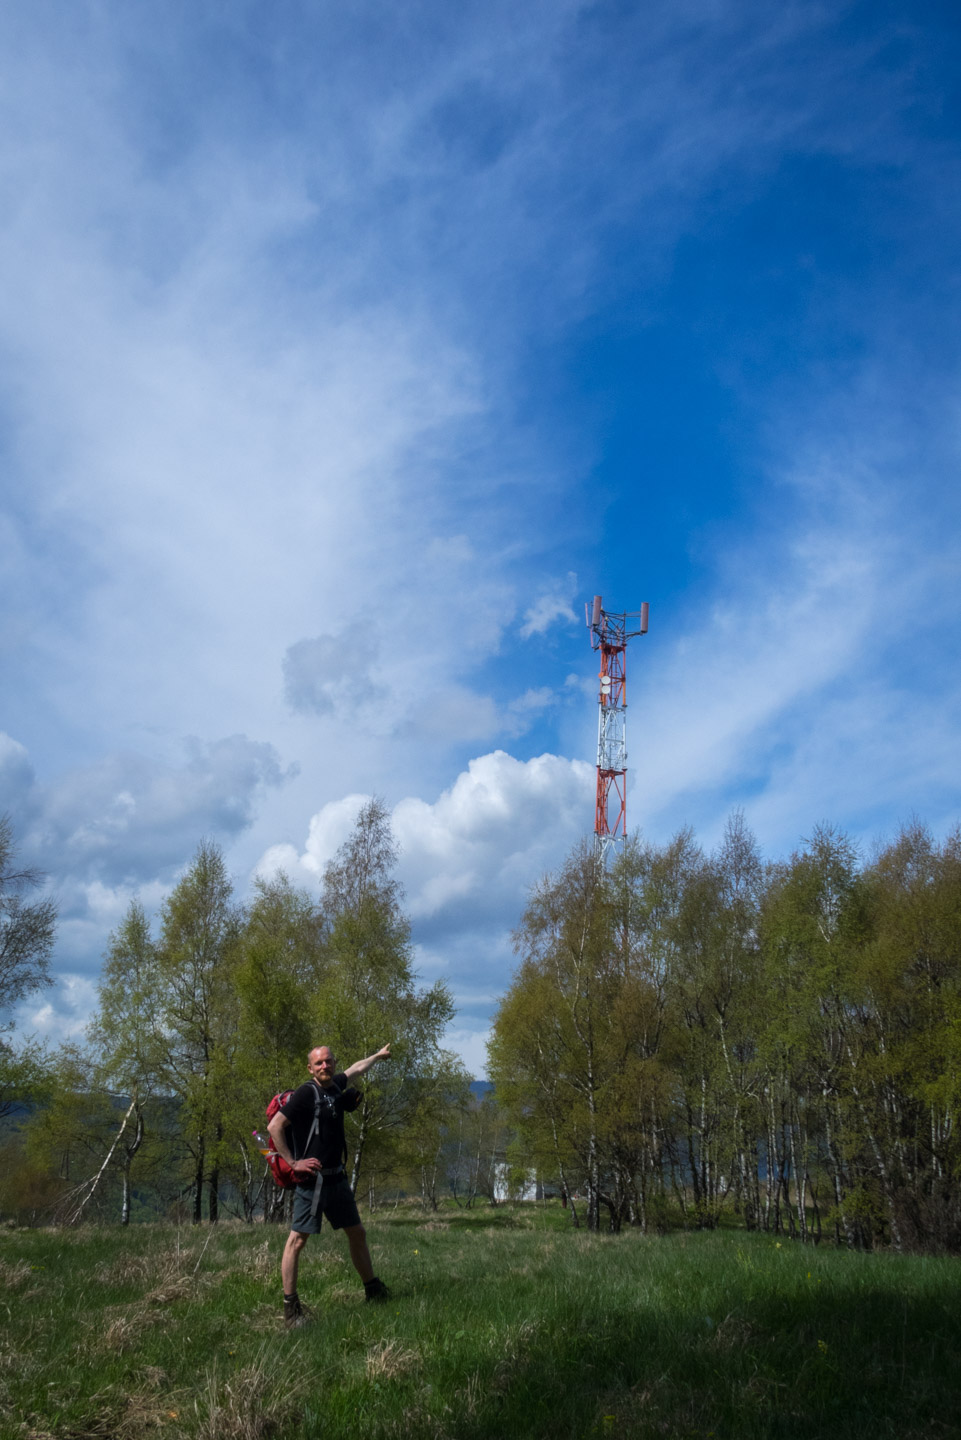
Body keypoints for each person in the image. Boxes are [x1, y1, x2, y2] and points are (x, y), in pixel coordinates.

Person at [268, 1041, 392, 1327]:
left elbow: (356, 1069)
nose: (326, 1066)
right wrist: (293, 1162)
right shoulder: (305, 1093)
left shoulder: (335, 1085)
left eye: (329, 1061)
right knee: (297, 1241)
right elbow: (274, 1127)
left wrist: (377, 1056)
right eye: (319, 1063)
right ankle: (291, 1311)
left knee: (357, 1233)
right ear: (310, 1068)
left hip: (337, 1178)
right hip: (313, 1183)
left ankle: (373, 1290)